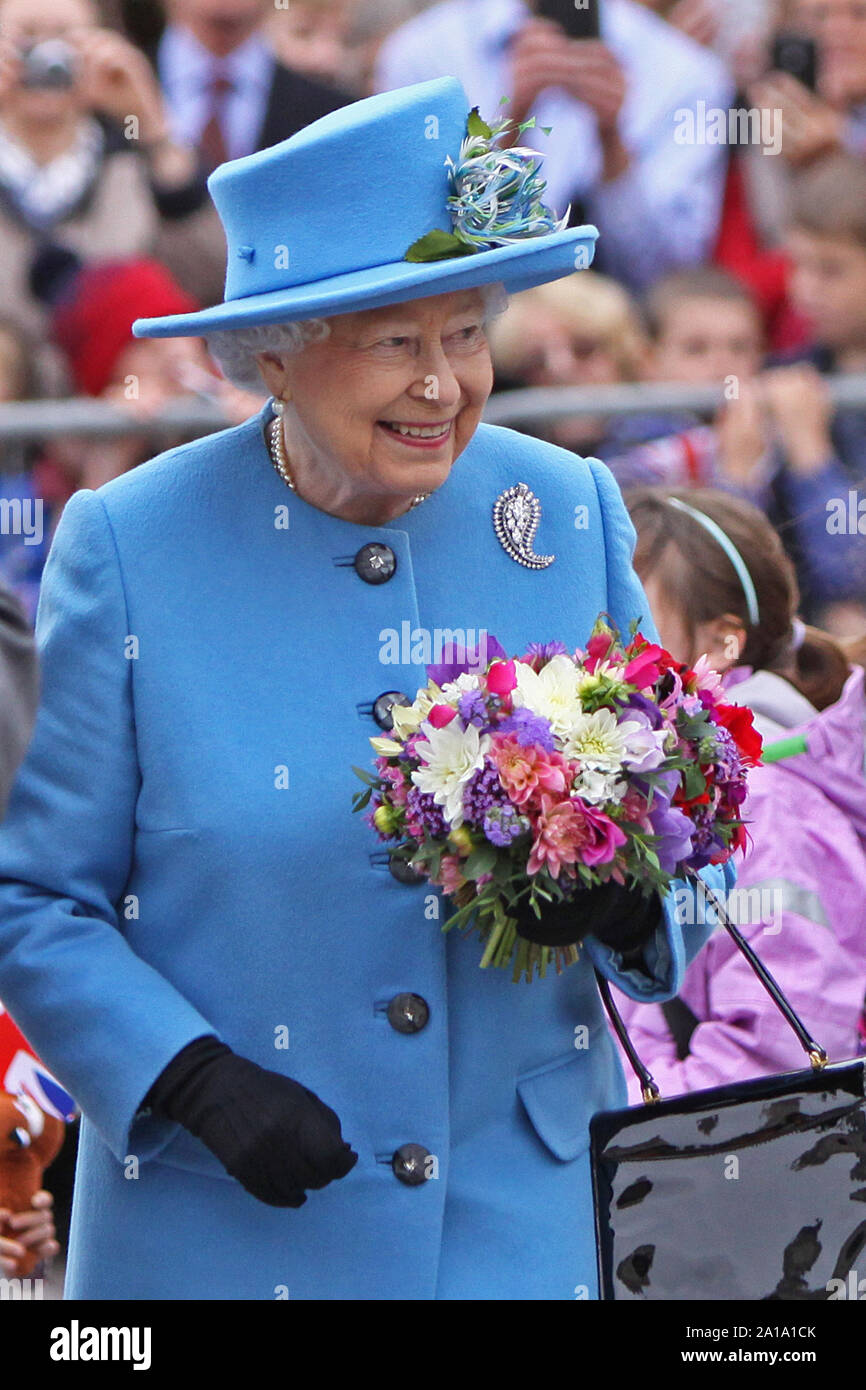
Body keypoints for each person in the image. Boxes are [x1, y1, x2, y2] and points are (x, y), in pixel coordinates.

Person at [0, 76, 732, 1301]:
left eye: (465, 333)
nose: (441, 384)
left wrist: (620, 901)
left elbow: (681, 822)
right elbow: (32, 897)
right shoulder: (131, 546)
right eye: (395, 340)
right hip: (223, 1234)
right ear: (272, 354)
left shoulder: (559, 507)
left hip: (519, 1224)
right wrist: (184, 1074)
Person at [611, 486, 866, 1099]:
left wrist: (626, 1130)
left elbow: (779, 1056)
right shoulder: (653, 777)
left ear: (724, 641)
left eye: (632, 621)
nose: (606, 650)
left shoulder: (763, 800)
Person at [373, 0, 733, 290]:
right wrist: (510, 125)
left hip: (623, 339)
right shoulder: (419, 54)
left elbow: (668, 280)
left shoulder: (685, 72)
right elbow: (417, 248)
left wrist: (612, 141)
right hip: (469, 315)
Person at [0, 0, 222, 344]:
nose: (45, 55)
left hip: (124, 394)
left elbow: (211, 276)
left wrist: (153, 127)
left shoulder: (130, 161)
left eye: (64, 35)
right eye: (27, 36)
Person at [487, 269, 649, 457]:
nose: (560, 370)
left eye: (584, 349)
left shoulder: (674, 445)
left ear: (622, 355)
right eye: (536, 361)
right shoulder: (509, 458)